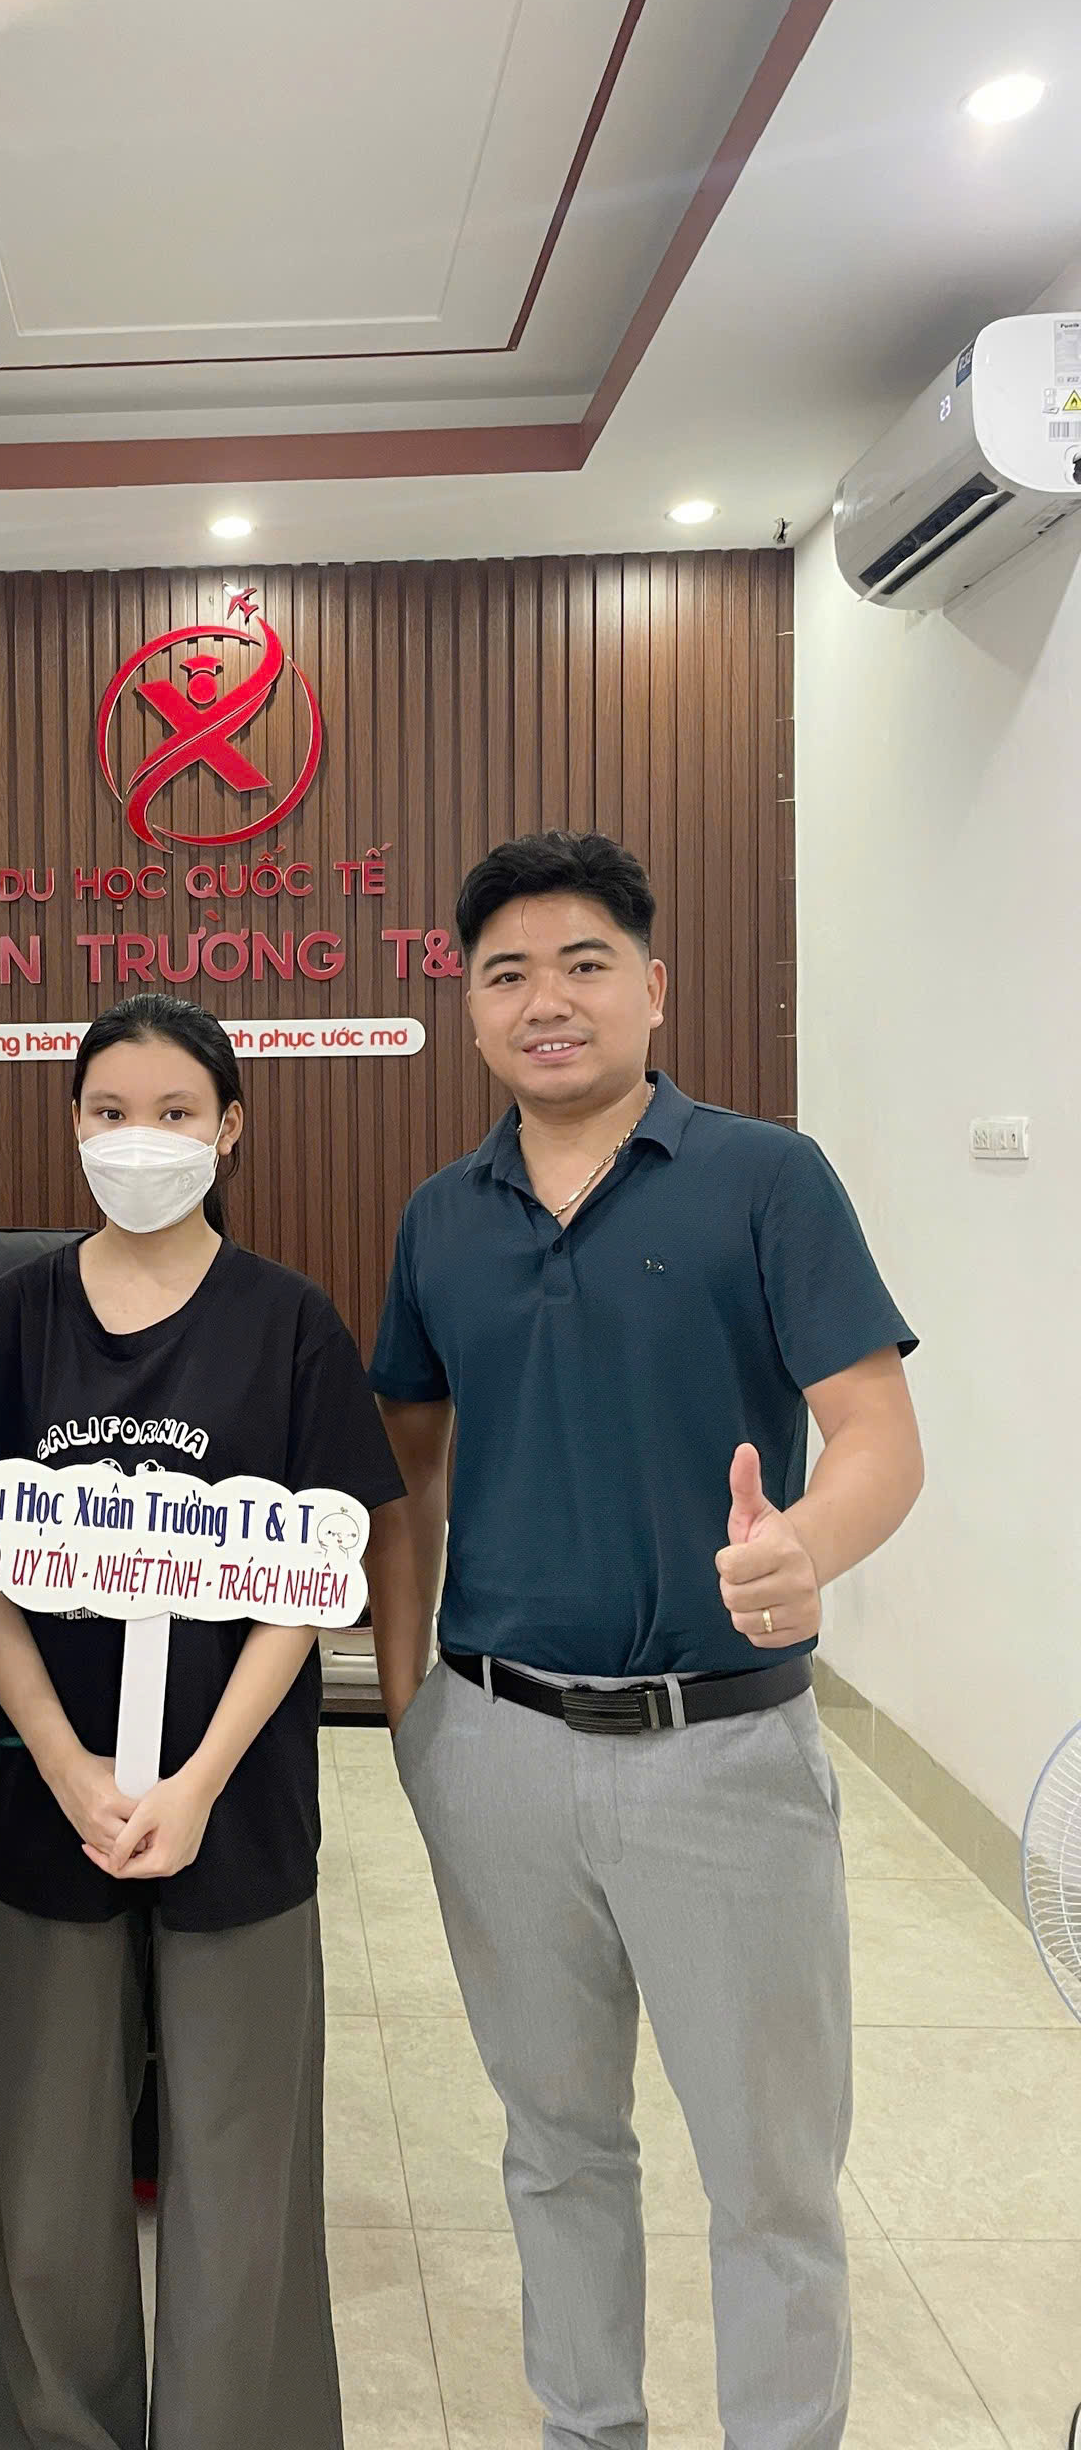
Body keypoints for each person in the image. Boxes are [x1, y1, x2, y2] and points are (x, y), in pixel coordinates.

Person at [369, 831, 923, 2450]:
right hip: (496, 1749)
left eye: (584, 965)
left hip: (722, 1754)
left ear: (654, 987)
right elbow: (407, 1467)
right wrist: (411, 1706)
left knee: (769, 2176)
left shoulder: (766, 1178)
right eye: (508, 975)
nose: (547, 1001)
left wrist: (806, 1548)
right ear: (471, 1009)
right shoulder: (442, 1217)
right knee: (555, 2148)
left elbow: (876, 1434)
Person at [0, 993, 408, 2450]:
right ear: (74, 1127)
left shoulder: (290, 1323)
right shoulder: (15, 1320)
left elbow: (312, 1580)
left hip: (237, 1808)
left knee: (241, 2166)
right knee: (50, 2168)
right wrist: (67, 1762)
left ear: (230, 1128)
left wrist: (196, 1781)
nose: (140, 1139)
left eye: (176, 1112)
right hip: (51, 1801)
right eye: (110, 1113)